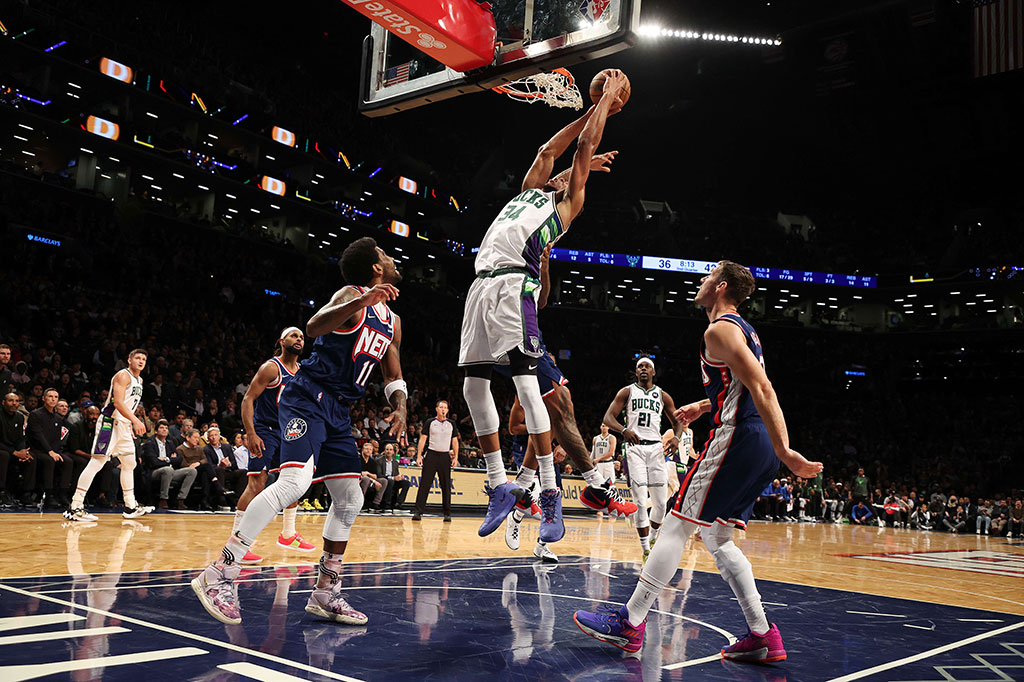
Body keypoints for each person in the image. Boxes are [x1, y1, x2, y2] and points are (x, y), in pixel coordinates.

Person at [574, 260, 823, 663]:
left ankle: (630, 622)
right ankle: (762, 634)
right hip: (754, 443)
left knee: (675, 524)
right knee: (718, 539)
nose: (701, 282)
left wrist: (786, 450)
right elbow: (743, 385)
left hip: (740, 439)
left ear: (721, 287)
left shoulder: (719, 328)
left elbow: (762, 386)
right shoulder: (745, 329)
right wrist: (706, 405)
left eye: (707, 277)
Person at [192, 237, 407, 627]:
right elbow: (313, 325)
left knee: (350, 497)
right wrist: (363, 300)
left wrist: (401, 407)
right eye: (386, 256)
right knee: (294, 483)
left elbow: (393, 374)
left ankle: (326, 592)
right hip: (307, 395)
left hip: (339, 409)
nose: (393, 260)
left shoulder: (393, 322)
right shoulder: (352, 294)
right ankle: (219, 573)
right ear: (376, 268)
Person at [458, 80, 628, 542]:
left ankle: (551, 497)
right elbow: (547, 151)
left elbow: (579, 154)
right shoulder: (530, 189)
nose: (556, 172)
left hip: (517, 284)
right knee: (474, 389)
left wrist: (604, 110)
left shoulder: (569, 202)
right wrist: (589, 112)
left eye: (570, 173)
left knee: (530, 390)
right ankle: (498, 486)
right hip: (481, 285)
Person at [234, 327, 313, 565]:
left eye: (301, 337)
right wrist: (251, 433)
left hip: (289, 433)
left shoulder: (302, 372)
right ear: (282, 341)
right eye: (293, 336)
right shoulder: (271, 367)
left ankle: (288, 534)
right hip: (265, 431)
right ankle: (237, 543)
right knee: (256, 483)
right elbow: (248, 399)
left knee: (293, 483)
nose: (299, 339)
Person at [602, 357, 682, 561]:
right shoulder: (627, 391)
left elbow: (679, 421)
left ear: (654, 372)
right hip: (635, 448)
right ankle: (646, 549)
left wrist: (676, 437)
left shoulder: (663, 395)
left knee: (661, 503)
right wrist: (624, 430)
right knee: (639, 501)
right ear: (636, 372)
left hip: (656, 449)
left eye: (647, 367)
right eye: (640, 367)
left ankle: (654, 539)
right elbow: (608, 418)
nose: (643, 369)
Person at [64, 349, 152, 521]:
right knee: (97, 461)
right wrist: (136, 420)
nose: (141, 361)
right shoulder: (123, 375)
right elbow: (118, 403)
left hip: (123, 426)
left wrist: (129, 425)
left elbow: (129, 405)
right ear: (129, 360)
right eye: (138, 358)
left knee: (129, 463)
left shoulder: (140, 380)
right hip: (109, 423)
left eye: (144, 359)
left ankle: (130, 506)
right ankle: (75, 506)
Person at [27, 388, 74, 508]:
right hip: (36, 449)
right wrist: (50, 451)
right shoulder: (35, 414)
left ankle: (63, 494)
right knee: (49, 460)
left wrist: (55, 451)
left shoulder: (58, 418)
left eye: (55, 397)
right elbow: (38, 436)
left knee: (68, 461)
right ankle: (49, 495)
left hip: (52, 450)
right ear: (43, 399)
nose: (53, 399)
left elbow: (56, 439)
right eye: (50, 396)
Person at [412, 400, 458, 522]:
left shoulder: (451, 424)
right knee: (425, 484)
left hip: (445, 456)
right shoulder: (430, 422)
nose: (443, 409)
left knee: (446, 485)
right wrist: (419, 455)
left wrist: (456, 457)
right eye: (441, 407)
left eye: (445, 408)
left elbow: (455, 441)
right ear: (437, 409)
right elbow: (423, 439)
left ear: (447, 410)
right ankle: (418, 511)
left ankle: (447, 513)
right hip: (431, 454)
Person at [144, 420, 197, 508]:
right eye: (161, 428)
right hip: (154, 472)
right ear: (156, 431)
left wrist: (166, 459)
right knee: (167, 469)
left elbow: (179, 459)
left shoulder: (170, 443)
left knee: (192, 471)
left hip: (170, 470)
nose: (164, 430)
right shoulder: (150, 443)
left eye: (166, 428)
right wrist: (171, 460)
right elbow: (154, 462)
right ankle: (163, 499)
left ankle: (180, 499)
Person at [0, 392, 35, 506]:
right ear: (3, 402)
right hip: (3, 449)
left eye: (16, 401)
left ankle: (25, 493)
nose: (14, 403)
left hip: (13, 450)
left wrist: (23, 452)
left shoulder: (20, 417)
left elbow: (20, 438)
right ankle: (2, 492)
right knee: (4, 456)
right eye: (11, 401)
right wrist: (15, 452)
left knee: (31, 458)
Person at [378, 443, 410, 513]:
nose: (389, 451)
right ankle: (387, 504)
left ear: (393, 452)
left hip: (392, 481)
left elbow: (396, 474)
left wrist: (399, 477)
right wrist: (393, 478)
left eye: (390, 450)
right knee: (390, 481)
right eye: (387, 449)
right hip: (383, 481)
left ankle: (398, 503)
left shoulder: (395, 462)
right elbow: (379, 475)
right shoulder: (379, 460)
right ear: (384, 451)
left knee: (406, 483)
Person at [591, 423, 617, 488]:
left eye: (606, 426)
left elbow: (611, 453)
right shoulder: (595, 438)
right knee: (598, 485)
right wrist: (590, 462)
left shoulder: (612, 437)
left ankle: (611, 498)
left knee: (611, 485)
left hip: (608, 464)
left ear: (609, 427)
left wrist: (599, 459)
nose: (604, 427)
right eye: (603, 426)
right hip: (598, 464)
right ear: (600, 427)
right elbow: (593, 452)